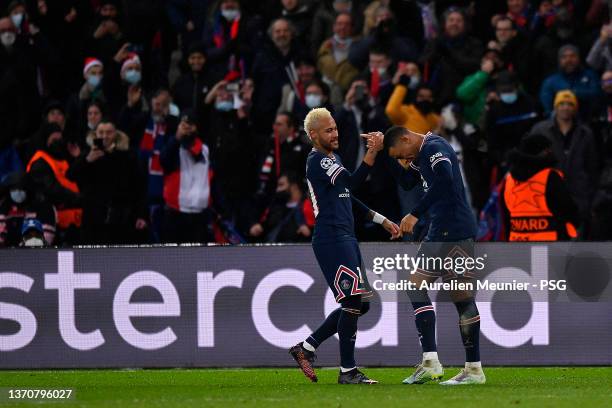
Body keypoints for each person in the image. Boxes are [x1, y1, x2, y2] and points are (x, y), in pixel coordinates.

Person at [289, 107, 400, 385]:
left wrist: (380, 219)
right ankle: (348, 371)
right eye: (328, 130)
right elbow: (352, 182)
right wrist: (372, 153)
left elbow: (347, 194)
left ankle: (307, 347)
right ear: (313, 135)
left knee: (360, 304)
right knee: (353, 301)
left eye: (335, 128)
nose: (335, 133)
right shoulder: (318, 161)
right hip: (331, 239)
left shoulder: (333, 158)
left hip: (345, 237)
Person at [370, 126, 485, 385]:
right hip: (439, 232)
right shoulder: (420, 154)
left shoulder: (435, 148)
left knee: (461, 297)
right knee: (416, 287)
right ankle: (432, 362)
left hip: (455, 231)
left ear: (406, 139)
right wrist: (380, 153)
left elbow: (444, 180)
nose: (405, 160)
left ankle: (473, 369)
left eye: (403, 154)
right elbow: (407, 181)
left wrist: (415, 213)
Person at [67, 120, 148, 245]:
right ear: (95, 134)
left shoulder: (127, 155)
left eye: (109, 132)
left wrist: (141, 214)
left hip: (121, 219)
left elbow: (138, 187)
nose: (104, 136)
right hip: (93, 219)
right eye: (101, 132)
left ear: (115, 134)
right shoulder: (88, 153)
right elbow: (71, 175)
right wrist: (87, 160)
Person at [529, 90, 598, 233]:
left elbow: (593, 167)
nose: (565, 107)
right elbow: (529, 160)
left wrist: (590, 195)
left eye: (569, 104)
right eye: (561, 104)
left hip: (578, 196)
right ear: (555, 107)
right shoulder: (540, 130)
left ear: (575, 108)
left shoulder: (585, 133)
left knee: (576, 243)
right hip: (548, 195)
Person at [501, 133, 578, 241]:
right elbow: (568, 209)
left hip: (518, 242)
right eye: (548, 149)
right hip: (547, 243)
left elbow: (506, 214)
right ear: (544, 152)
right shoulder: (549, 177)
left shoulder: (509, 180)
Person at [160, 110, 214, 243]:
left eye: (191, 124)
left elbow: (213, 181)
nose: (187, 128)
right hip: (176, 215)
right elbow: (164, 160)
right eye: (184, 124)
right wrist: (177, 137)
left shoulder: (206, 149)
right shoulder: (173, 146)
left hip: (200, 216)